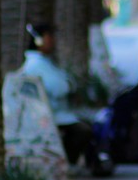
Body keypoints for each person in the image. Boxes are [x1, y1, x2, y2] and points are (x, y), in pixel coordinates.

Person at [21, 23, 95, 168]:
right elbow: (60, 87)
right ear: (39, 41)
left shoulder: (43, 62)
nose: (53, 41)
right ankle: (67, 164)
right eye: (49, 37)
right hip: (52, 115)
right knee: (83, 131)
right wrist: (69, 85)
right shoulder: (36, 64)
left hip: (58, 112)